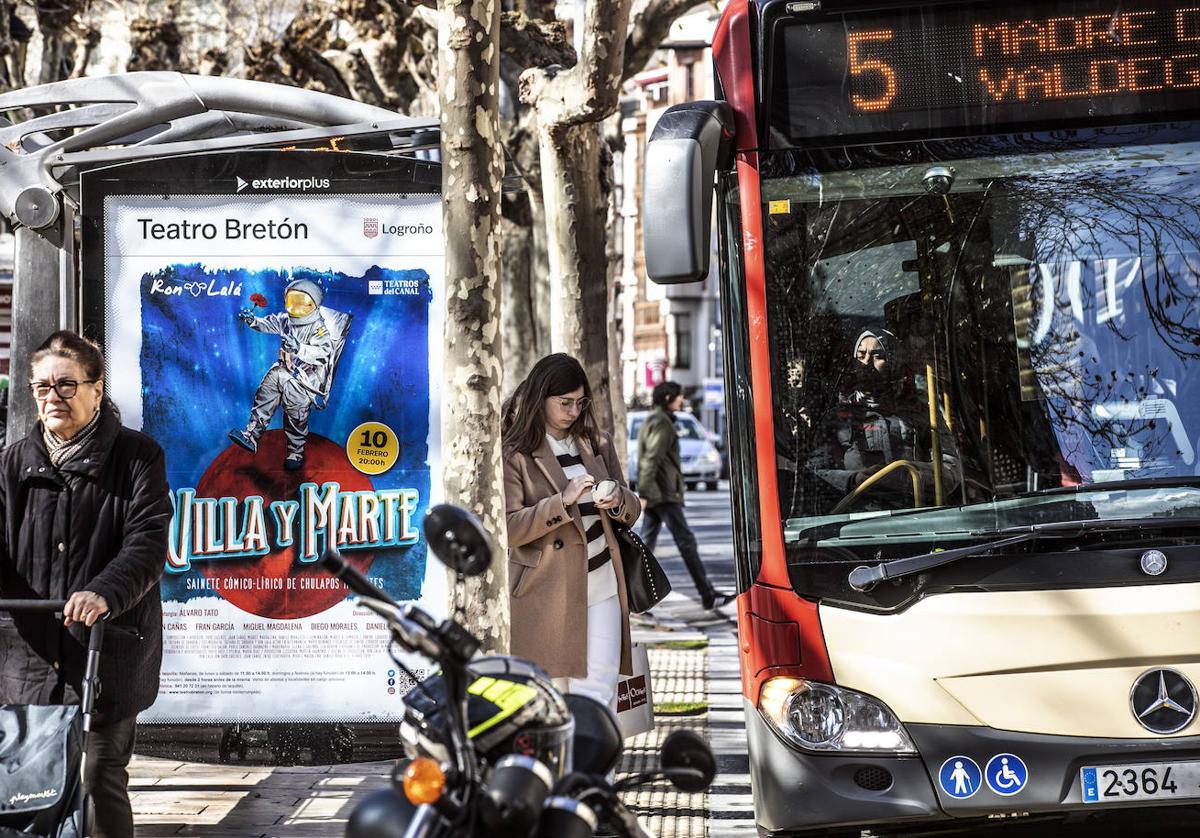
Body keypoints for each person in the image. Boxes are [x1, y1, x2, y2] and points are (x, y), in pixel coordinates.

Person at [0, 330, 171, 838]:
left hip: (107, 653)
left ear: (97, 388)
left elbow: (146, 544)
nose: (53, 397)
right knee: (26, 781)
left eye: (67, 385)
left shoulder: (138, 458)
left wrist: (104, 591)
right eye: (42, 387)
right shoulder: (10, 465)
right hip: (27, 657)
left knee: (98, 775)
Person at [502, 353, 641, 707]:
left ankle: (595, 765)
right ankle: (565, 764)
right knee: (553, 701)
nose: (574, 412)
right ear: (540, 397)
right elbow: (509, 528)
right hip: (545, 593)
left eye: (580, 403)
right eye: (564, 403)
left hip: (603, 584)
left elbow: (633, 509)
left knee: (598, 694)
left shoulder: (597, 442)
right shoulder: (515, 454)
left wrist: (616, 498)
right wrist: (561, 503)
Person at [637, 381, 733, 611]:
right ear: (669, 398)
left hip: (657, 493)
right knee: (686, 543)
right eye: (679, 396)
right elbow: (651, 459)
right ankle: (707, 594)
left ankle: (635, 596)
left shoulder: (655, 419)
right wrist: (645, 493)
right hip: (663, 495)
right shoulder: (662, 423)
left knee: (644, 547)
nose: (682, 400)